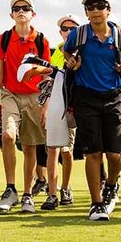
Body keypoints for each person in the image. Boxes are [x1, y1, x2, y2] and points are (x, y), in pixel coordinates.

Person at [63, 0, 121, 222]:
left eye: (100, 6)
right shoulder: (78, 34)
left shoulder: (120, 35)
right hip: (86, 97)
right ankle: (96, 203)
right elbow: (67, 51)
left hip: (115, 97)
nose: (95, 10)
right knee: (93, 153)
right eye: (90, 7)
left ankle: (111, 185)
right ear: (86, 12)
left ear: (108, 10)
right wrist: (72, 61)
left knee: (115, 156)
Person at [0, 0, 51, 214]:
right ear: (11, 15)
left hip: (35, 96)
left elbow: (47, 75)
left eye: (25, 8)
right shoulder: (4, 39)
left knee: (29, 146)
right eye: (16, 8)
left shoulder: (41, 41)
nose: (21, 11)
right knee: (8, 136)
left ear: (33, 14)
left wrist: (46, 104)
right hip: (10, 94)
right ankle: (10, 189)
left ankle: (27, 194)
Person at [45, 14, 79, 208]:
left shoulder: (83, 51)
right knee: (52, 149)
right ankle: (52, 193)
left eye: (72, 29)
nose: (68, 32)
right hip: (55, 105)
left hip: (72, 107)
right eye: (65, 29)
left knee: (66, 151)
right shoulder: (56, 53)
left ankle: (65, 187)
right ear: (60, 32)